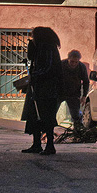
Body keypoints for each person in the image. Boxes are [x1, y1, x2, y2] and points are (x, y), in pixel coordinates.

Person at [21, 26, 64, 154]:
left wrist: (34, 76)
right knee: (34, 116)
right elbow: (31, 58)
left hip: (47, 89)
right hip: (39, 88)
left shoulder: (48, 48)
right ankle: (36, 144)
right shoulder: (40, 48)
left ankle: (50, 146)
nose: (32, 38)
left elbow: (48, 68)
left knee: (46, 117)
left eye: (34, 36)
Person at [61, 49, 89, 126]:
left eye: (76, 62)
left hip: (74, 93)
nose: (74, 64)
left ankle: (78, 132)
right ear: (68, 59)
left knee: (75, 115)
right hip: (60, 92)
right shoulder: (61, 64)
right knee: (52, 112)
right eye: (72, 61)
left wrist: (84, 96)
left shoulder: (81, 67)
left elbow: (86, 81)